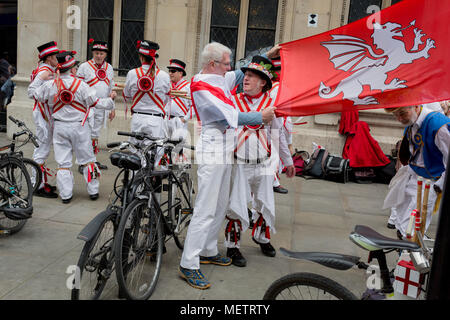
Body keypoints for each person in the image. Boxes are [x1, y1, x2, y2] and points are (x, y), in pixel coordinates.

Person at [178, 42, 276, 290]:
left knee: (221, 203)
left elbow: (242, 72)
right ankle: (189, 262)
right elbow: (227, 115)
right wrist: (259, 117)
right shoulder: (202, 85)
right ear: (213, 64)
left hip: (224, 146)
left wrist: (268, 54)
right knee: (206, 207)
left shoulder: (220, 77)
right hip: (212, 146)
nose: (230, 67)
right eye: (226, 62)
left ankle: (209, 249)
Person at [224, 56, 295, 267]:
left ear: (263, 82)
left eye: (251, 76)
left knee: (265, 204)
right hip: (239, 164)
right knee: (236, 206)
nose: (245, 78)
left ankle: (262, 238)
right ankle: (232, 246)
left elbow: (279, 135)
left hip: (263, 163)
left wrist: (288, 161)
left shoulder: (272, 106)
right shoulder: (233, 101)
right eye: (245, 75)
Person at [33, 51, 115, 203]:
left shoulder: (50, 85)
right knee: (88, 160)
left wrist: (40, 79)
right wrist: (110, 101)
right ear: (71, 69)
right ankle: (93, 191)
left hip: (60, 127)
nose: (76, 70)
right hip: (79, 128)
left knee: (63, 163)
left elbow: (34, 94)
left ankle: (66, 195)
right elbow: (96, 102)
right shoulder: (82, 85)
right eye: (75, 67)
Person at [383, 104, 449, 239]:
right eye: (395, 115)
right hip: (412, 175)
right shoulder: (412, 122)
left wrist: (438, 186)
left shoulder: (438, 125)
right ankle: (406, 254)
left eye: (402, 113)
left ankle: (410, 256)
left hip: (430, 181)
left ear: (416, 106)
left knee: (414, 226)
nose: (399, 119)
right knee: (402, 221)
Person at [27, 41, 60, 198]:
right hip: (42, 113)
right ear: (49, 59)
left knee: (44, 148)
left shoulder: (49, 70)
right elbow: (31, 91)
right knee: (42, 149)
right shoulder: (45, 71)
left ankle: (41, 181)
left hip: (46, 113)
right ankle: (36, 185)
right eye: (55, 57)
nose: (58, 60)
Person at [77, 39, 115, 171]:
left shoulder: (109, 68)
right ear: (93, 53)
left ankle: (92, 161)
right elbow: (78, 88)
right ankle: (83, 163)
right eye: (97, 53)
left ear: (106, 55)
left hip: (103, 106)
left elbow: (111, 88)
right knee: (86, 135)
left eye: (102, 54)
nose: (99, 56)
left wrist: (112, 107)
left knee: (95, 134)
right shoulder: (84, 67)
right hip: (88, 107)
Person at [166, 59, 191, 142]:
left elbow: (194, 106)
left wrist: (185, 119)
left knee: (178, 149)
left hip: (179, 121)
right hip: (166, 120)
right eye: (169, 71)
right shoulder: (167, 85)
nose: (170, 73)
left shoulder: (188, 87)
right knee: (163, 147)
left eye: (173, 71)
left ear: (181, 73)